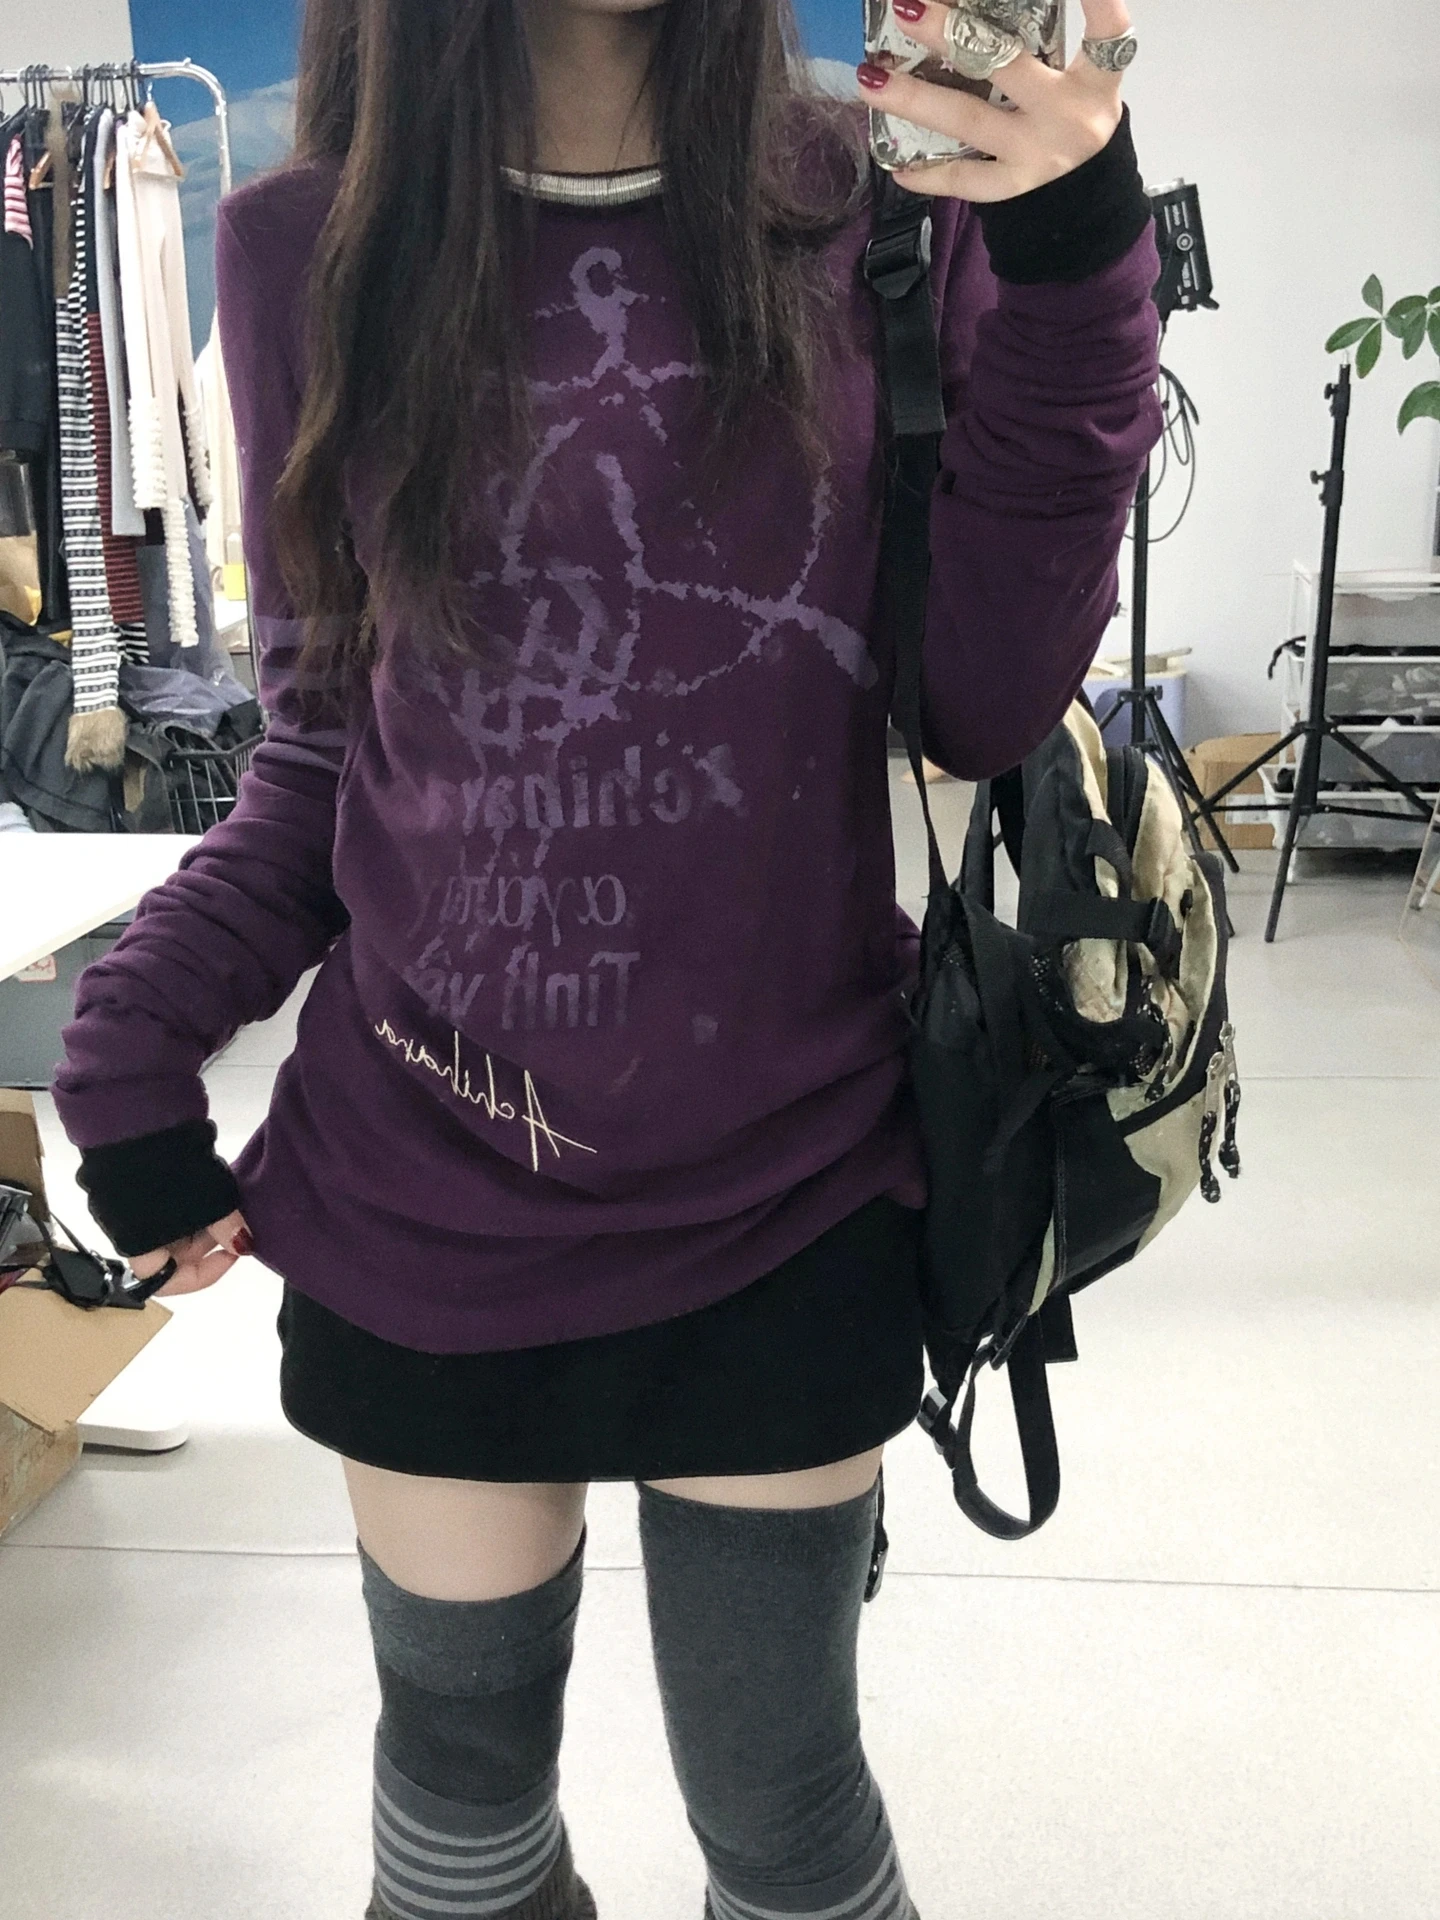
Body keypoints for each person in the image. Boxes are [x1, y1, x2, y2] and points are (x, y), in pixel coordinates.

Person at [54, 0, 1160, 1913]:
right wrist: (131, 1040)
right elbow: (323, 746)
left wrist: (1076, 265)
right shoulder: (302, 244)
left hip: (788, 1185)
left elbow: (979, 705)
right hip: (423, 1196)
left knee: (786, 1820)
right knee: (461, 1832)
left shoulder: (883, 208)